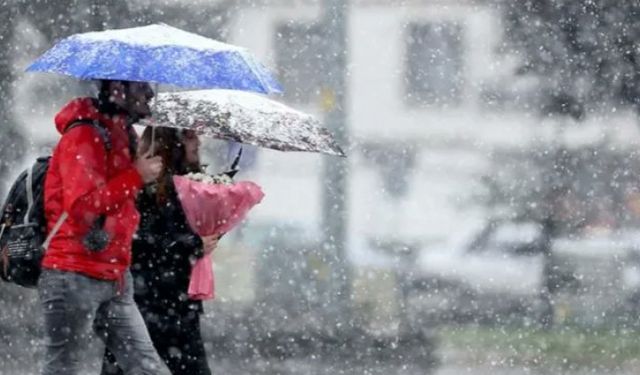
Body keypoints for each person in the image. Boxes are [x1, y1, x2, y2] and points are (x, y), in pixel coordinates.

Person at [39, 79, 171, 375]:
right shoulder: (84, 134)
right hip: (73, 272)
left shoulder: (123, 135)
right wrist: (135, 176)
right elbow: (82, 207)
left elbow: (123, 204)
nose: (149, 93)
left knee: (146, 366)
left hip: (114, 275)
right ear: (117, 89)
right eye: (141, 87)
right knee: (64, 367)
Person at [101, 126, 218, 375]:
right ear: (170, 143)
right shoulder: (146, 186)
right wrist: (192, 244)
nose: (197, 141)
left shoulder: (192, 185)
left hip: (177, 301)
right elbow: (140, 240)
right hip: (145, 299)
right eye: (188, 136)